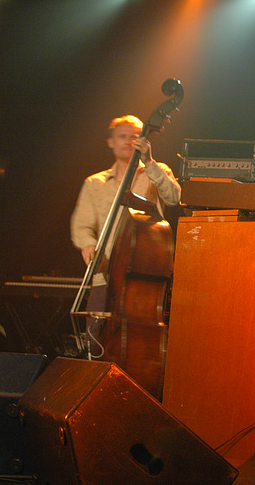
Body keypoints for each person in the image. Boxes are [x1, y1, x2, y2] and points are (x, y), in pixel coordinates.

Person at [70, 115, 181, 357]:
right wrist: (88, 245)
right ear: (110, 142)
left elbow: (174, 198)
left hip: (143, 278)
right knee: (96, 346)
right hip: (104, 277)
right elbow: (81, 226)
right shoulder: (94, 183)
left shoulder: (157, 170)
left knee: (139, 350)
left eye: (135, 136)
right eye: (123, 137)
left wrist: (149, 163)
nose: (129, 141)